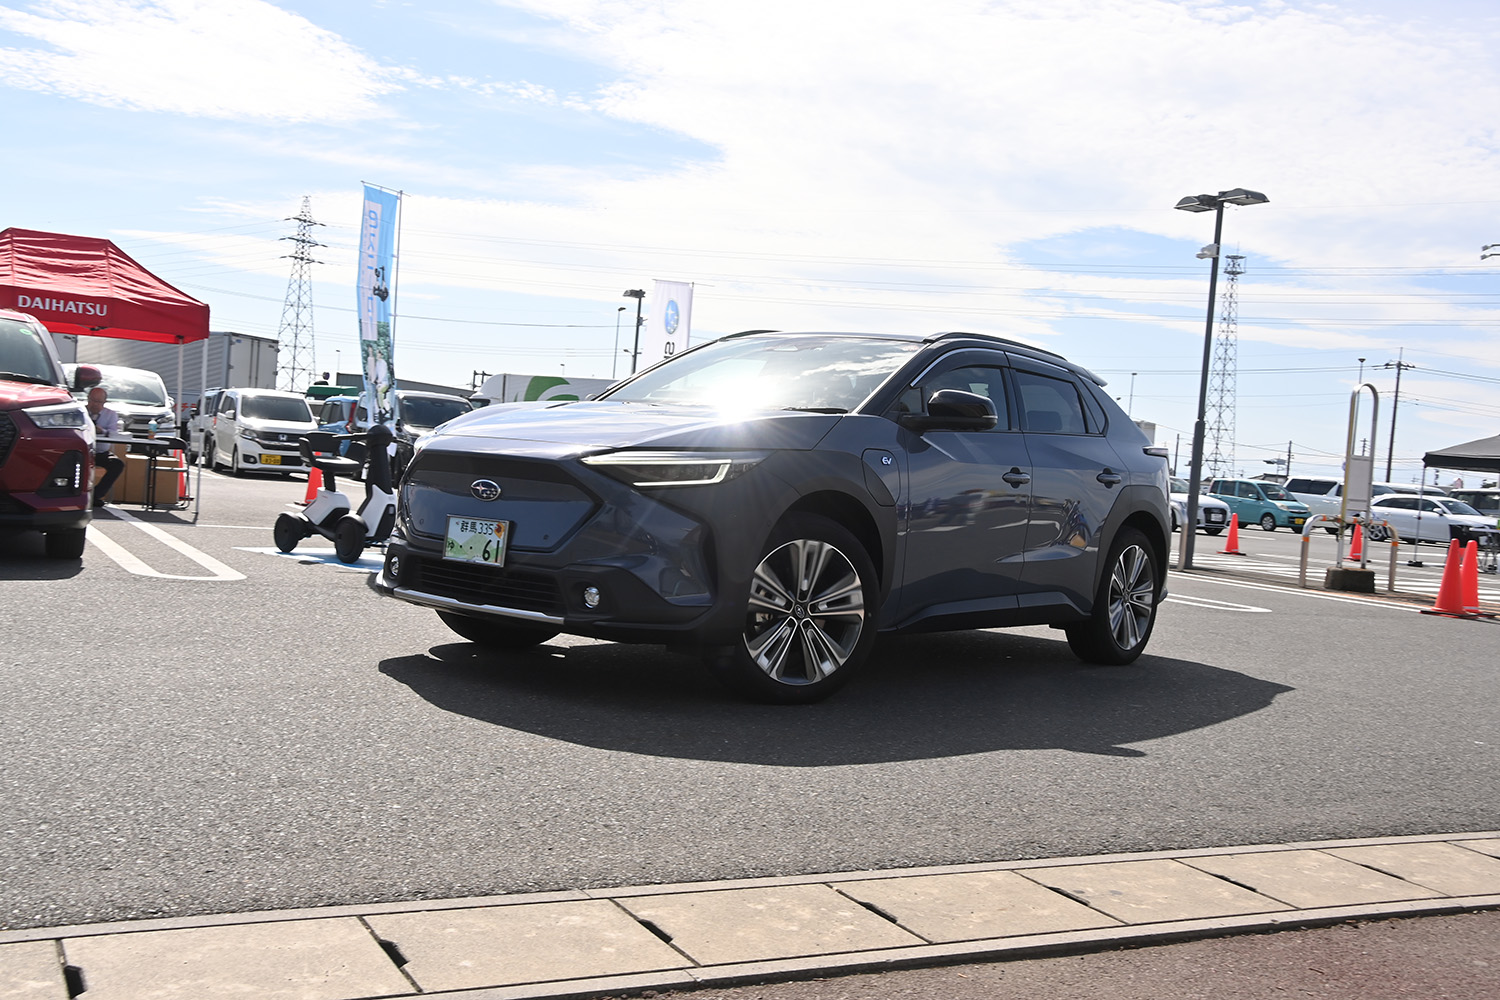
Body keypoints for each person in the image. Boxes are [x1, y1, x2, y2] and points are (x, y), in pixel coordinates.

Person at [87, 386, 125, 508]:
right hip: (84, 452)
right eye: (93, 400)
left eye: (99, 402)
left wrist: (102, 431)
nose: (95, 404)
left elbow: (114, 433)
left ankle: (96, 495)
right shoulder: (81, 412)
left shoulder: (111, 414)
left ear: (104, 402)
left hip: (101, 452)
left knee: (117, 464)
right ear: (88, 399)